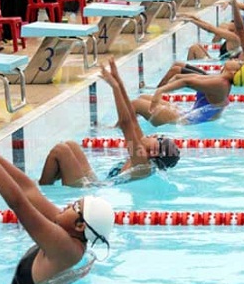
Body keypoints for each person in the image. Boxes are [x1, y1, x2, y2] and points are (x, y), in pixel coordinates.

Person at [0, 145, 115, 284]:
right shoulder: (68, 227)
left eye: (75, 206)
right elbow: (29, 190)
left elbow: (18, 204)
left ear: (80, 225)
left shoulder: (65, 246)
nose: (68, 205)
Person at [39, 57, 180, 187]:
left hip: (91, 189)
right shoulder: (142, 150)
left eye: (159, 139)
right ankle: (45, 185)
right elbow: (131, 117)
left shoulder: (142, 162)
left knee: (61, 151)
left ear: (155, 151)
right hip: (97, 183)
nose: (154, 136)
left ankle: (41, 193)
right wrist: (118, 82)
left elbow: (126, 124)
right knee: (71, 145)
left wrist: (115, 88)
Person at [132, 58, 244, 126]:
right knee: (143, 97)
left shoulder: (220, 84)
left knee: (135, 104)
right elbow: (191, 78)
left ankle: (118, 129)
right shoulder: (221, 80)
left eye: (238, 62)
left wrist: (160, 91)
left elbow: (188, 83)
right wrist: (175, 79)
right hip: (188, 114)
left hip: (186, 121)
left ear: (234, 72)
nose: (235, 59)